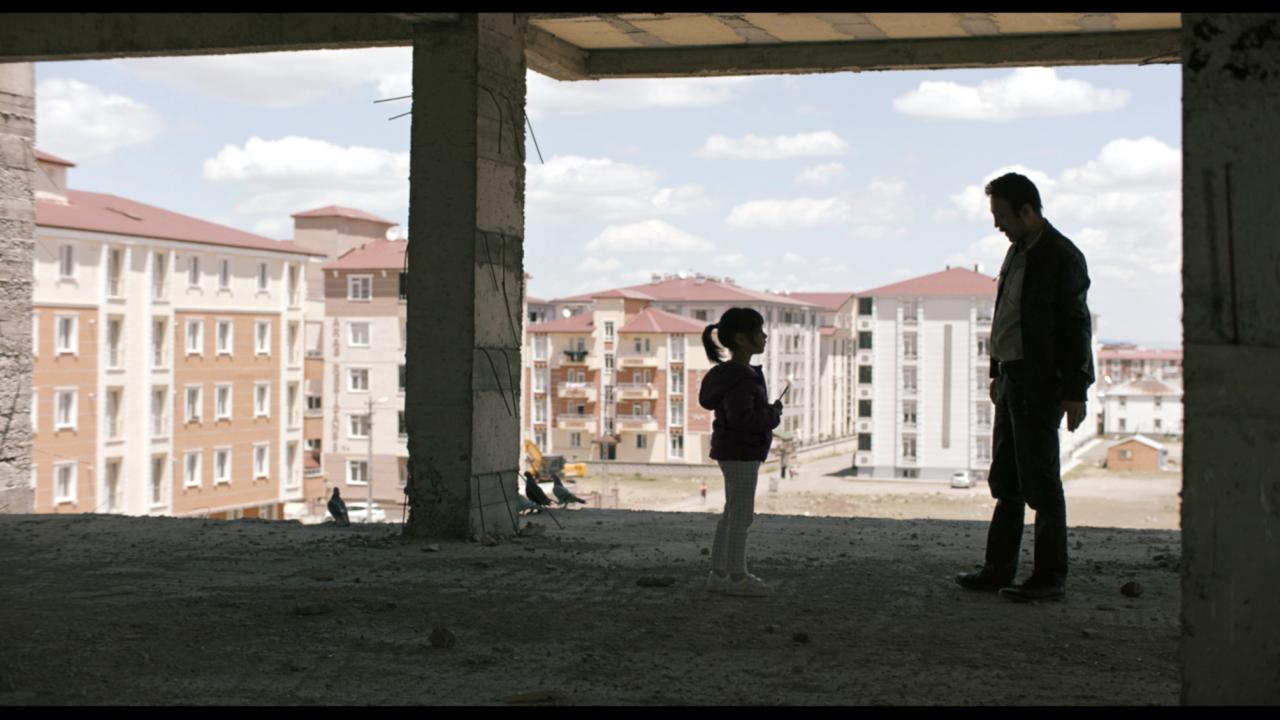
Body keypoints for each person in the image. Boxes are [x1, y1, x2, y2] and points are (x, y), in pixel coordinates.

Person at [956, 172, 1094, 603]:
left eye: (1001, 215)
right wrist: (997, 369)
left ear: (1027, 211)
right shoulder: (1017, 252)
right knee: (1007, 482)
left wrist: (1076, 389)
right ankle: (998, 569)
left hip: (1040, 384)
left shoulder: (1061, 256)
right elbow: (1008, 317)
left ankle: (1049, 578)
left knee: (1042, 486)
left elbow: (1076, 326)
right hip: (1013, 379)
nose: (997, 224)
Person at [697, 307, 783, 597]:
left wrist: (766, 411)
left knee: (730, 514)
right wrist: (772, 415)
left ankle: (718, 574)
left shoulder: (729, 375)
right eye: (760, 331)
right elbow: (743, 420)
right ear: (742, 339)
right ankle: (736, 577)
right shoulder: (742, 377)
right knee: (741, 518)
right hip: (742, 453)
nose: (765, 336)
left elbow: (736, 414)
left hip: (730, 451)